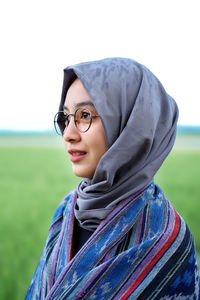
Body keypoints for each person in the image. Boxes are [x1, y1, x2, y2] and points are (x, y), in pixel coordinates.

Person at [26, 57, 200, 299]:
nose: (68, 134)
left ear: (131, 126)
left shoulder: (168, 240)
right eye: (66, 118)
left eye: (85, 115)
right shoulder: (67, 210)